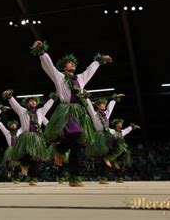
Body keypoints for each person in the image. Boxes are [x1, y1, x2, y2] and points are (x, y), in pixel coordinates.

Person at [30, 40, 112, 187]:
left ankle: (74, 177)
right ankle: (60, 150)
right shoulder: (59, 77)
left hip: (78, 111)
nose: (72, 64)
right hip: (65, 110)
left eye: (73, 63)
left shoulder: (80, 78)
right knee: (75, 134)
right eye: (69, 62)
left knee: (77, 146)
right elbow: (48, 66)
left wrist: (100, 61)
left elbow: (89, 70)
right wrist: (41, 52)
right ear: (63, 66)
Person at [2, 90, 55, 186]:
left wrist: (53, 98)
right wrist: (10, 97)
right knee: (25, 154)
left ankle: (32, 178)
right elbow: (15, 105)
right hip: (26, 136)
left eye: (34, 101)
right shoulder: (22, 111)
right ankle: (24, 164)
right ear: (27, 103)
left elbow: (47, 106)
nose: (33, 102)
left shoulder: (40, 111)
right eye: (31, 101)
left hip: (36, 137)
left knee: (35, 158)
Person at [84, 93, 125, 184]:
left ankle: (104, 175)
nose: (104, 105)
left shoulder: (106, 114)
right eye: (102, 104)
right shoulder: (94, 114)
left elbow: (110, 107)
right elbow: (89, 106)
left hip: (107, 136)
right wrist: (86, 98)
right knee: (103, 156)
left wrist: (114, 99)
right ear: (98, 106)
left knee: (112, 153)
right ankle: (103, 176)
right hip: (99, 137)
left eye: (104, 104)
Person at [108, 119, 140, 183]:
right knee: (111, 164)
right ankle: (105, 176)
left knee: (122, 164)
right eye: (120, 123)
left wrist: (132, 126)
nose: (121, 124)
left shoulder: (122, 132)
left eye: (121, 123)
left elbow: (127, 130)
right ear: (116, 124)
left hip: (121, 150)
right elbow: (105, 129)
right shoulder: (112, 131)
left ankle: (119, 177)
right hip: (113, 150)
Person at [0, 119, 22, 183]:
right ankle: (9, 170)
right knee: (8, 161)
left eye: (14, 125)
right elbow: (2, 127)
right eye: (12, 125)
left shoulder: (19, 131)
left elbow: (25, 126)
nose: (13, 126)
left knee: (17, 164)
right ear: (10, 126)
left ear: (16, 126)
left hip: (17, 149)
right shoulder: (7, 132)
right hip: (10, 149)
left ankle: (16, 179)